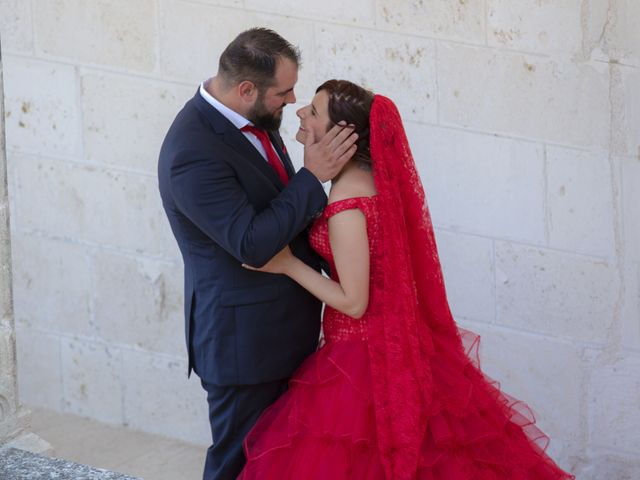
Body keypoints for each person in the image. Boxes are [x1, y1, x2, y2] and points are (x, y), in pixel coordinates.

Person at [238, 80, 575, 479]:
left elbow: (353, 302)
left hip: (358, 357)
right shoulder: (378, 183)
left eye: (313, 110)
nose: (301, 113)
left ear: (342, 134)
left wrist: (289, 265)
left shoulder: (346, 205)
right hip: (398, 341)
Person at [157, 29, 357, 480]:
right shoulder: (192, 151)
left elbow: (278, 206)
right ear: (246, 89)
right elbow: (250, 242)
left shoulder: (254, 120)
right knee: (238, 467)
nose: (292, 102)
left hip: (286, 336)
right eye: (283, 93)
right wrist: (313, 177)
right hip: (244, 348)